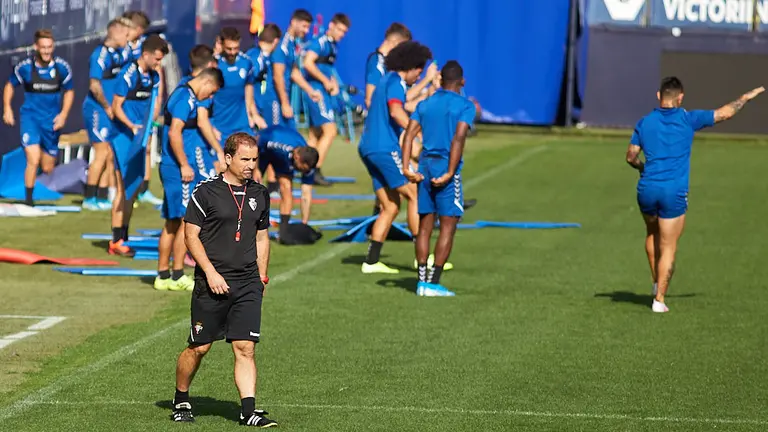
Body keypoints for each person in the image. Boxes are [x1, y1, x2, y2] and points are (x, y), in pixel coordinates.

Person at [625, 77, 763, 313]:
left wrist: (642, 168)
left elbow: (630, 156)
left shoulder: (644, 122)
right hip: (673, 192)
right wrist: (745, 98)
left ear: (659, 96)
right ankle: (659, 299)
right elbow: (725, 113)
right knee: (669, 245)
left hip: (647, 189)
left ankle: (656, 282)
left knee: (652, 233)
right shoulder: (688, 119)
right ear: (680, 98)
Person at [171, 132, 276, 428]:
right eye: (245, 159)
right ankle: (181, 397)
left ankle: (248, 411)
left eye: (254, 159)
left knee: (245, 347)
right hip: (212, 283)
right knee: (200, 347)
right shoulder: (205, 192)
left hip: (248, 283)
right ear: (228, 158)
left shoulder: (260, 194)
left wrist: (262, 276)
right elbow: (190, 236)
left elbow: (262, 238)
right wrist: (211, 272)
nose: (250, 165)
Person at [357, 41, 434, 274]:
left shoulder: (388, 80)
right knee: (414, 194)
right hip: (383, 148)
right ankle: (422, 257)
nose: (418, 75)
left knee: (390, 206)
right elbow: (396, 111)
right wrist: (418, 133)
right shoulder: (395, 82)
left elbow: (402, 103)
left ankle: (371, 262)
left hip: (367, 147)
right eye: (418, 71)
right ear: (410, 66)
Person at [402, 61, 475, 297]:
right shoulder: (465, 105)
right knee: (448, 226)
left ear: (440, 80)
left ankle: (421, 282)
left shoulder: (425, 103)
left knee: (424, 227)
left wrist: (406, 167)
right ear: (462, 81)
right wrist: (450, 172)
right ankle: (433, 284)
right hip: (445, 165)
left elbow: (409, 135)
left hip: (424, 166)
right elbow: (459, 138)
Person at [155, 67, 224, 292]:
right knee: (186, 223)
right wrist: (184, 164)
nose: (210, 97)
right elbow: (174, 132)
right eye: (211, 92)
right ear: (206, 82)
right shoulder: (185, 98)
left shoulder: (190, 96)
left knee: (173, 222)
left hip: (177, 167)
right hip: (177, 169)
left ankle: (163, 275)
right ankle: (176, 275)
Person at [108, 34, 168, 256]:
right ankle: (116, 240)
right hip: (123, 137)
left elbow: (155, 102)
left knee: (133, 190)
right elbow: (116, 107)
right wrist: (132, 126)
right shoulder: (128, 73)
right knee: (122, 188)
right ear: (146, 54)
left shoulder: (154, 76)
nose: (159, 63)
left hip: (139, 137)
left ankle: (124, 236)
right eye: (157, 59)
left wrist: (148, 126)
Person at [2, 29, 74, 207]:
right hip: (31, 119)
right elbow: (10, 86)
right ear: (36, 47)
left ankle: (42, 153)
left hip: (51, 122)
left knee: (48, 168)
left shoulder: (61, 68)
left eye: (50, 47)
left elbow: (69, 91)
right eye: (43, 47)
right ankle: (29, 200)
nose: (47, 51)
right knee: (32, 159)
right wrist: (7, 108)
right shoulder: (25, 67)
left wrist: (64, 115)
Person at [81, 18, 131, 211]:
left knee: (110, 154)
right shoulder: (99, 55)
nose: (128, 38)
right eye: (125, 34)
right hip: (98, 110)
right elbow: (94, 86)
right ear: (115, 33)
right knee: (101, 152)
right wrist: (107, 107)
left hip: (110, 111)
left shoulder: (119, 53)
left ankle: (101, 197)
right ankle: (89, 197)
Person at [302, 13, 351, 185]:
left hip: (323, 91)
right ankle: (315, 170)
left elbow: (326, 69)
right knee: (330, 131)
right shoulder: (320, 42)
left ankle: (304, 167)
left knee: (315, 134)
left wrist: (333, 83)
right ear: (331, 26)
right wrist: (325, 81)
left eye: (344, 32)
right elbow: (308, 63)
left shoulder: (333, 45)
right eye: (339, 30)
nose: (341, 34)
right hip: (316, 92)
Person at [122, 9, 165, 207]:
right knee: (123, 152)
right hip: (127, 107)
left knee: (146, 147)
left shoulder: (146, 47)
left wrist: (157, 104)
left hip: (144, 107)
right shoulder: (123, 49)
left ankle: (143, 189)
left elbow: (157, 75)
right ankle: (120, 189)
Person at [256, 125, 319, 232]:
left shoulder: (308, 161)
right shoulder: (277, 142)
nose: (302, 172)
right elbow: (256, 142)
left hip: (282, 158)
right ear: (297, 158)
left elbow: (306, 194)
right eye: (302, 169)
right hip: (262, 149)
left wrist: (304, 224)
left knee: (286, 187)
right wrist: (256, 169)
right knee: (251, 184)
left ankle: (283, 230)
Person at [211, 27, 267, 142]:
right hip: (220, 125)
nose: (232, 52)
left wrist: (254, 114)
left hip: (242, 124)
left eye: (236, 48)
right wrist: (211, 126)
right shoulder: (214, 64)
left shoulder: (246, 62)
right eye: (229, 48)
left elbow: (249, 91)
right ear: (222, 44)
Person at [272, 9, 321, 130]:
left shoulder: (292, 44)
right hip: (275, 100)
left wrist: (310, 91)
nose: (306, 31)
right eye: (304, 26)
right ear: (294, 22)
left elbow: (294, 72)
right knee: (274, 137)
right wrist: (284, 103)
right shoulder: (283, 45)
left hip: (284, 98)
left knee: (291, 135)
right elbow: (277, 76)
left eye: (308, 27)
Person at [179, 45, 223, 174]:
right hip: (198, 146)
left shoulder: (184, 82)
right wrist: (219, 151)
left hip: (190, 146)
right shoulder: (202, 89)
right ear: (210, 64)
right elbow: (202, 121)